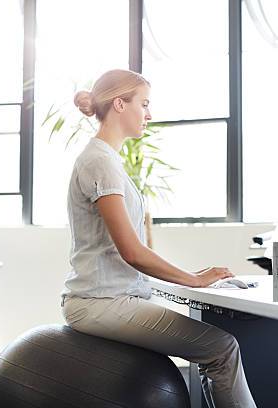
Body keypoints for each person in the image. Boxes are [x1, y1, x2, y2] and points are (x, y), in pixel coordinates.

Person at [61, 68, 257, 408]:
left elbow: (127, 252)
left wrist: (186, 277)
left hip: (111, 297)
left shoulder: (107, 160)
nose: (149, 114)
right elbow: (132, 252)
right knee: (223, 349)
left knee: (217, 347)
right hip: (99, 303)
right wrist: (193, 280)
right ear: (120, 105)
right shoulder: (100, 162)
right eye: (144, 104)